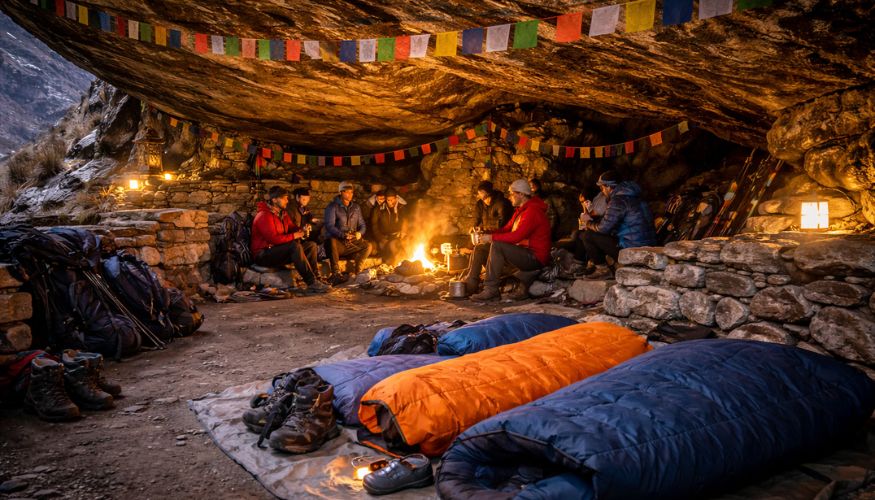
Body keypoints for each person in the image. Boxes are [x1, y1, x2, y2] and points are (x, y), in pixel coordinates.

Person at [468, 179, 551, 301]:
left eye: (512, 193)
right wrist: (486, 232)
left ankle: (491, 289)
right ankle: (470, 285)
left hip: (535, 257)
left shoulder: (532, 211)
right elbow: (506, 229)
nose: (510, 196)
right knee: (480, 248)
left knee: (497, 245)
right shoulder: (520, 211)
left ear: (521, 194)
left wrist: (491, 238)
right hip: (523, 252)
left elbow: (516, 236)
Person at [581, 171, 657, 279]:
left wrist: (588, 222)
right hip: (649, 244)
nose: (602, 191)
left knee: (588, 236)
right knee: (597, 234)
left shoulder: (618, 200)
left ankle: (603, 270)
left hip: (632, 248)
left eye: (602, 188)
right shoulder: (635, 196)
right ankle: (610, 265)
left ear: (608, 187)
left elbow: (603, 228)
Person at [251, 186, 329, 292]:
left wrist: (302, 230)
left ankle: (317, 279)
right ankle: (311, 282)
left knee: (311, 245)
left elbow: (292, 228)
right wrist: (295, 235)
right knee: (294, 246)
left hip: (278, 250)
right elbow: (274, 239)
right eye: (284, 198)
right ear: (274, 200)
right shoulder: (264, 216)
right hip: (263, 254)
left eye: (287, 198)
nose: (287, 201)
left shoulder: (282, 214)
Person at [324, 181, 373, 282]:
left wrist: (360, 232)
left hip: (351, 242)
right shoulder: (332, 207)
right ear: (341, 192)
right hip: (339, 243)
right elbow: (329, 226)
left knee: (368, 246)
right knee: (330, 241)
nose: (350, 195)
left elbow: (362, 224)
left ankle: (358, 270)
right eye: (347, 192)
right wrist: (342, 235)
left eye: (351, 192)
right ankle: (336, 272)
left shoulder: (356, 207)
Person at [557, 190, 607, 263]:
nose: (584, 204)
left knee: (583, 236)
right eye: (581, 202)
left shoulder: (599, 208)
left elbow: (593, 222)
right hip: (589, 232)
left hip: (599, 233)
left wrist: (587, 214)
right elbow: (583, 226)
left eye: (585, 201)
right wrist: (585, 210)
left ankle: (581, 260)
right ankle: (579, 259)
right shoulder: (584, 212)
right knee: (577, 234)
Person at [371, 188, 408, 263]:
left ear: (396, 198)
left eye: (393, 199)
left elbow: (405, 220)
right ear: (385, 199)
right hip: (384, 237)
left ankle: (405, 262)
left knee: (401, 244)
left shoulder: (401, 208)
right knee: (390, 247)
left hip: (397, 236)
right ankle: (397, 264)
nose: (391, 202)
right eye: (389, 200)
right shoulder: (378, 209)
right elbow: (374, 226)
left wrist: (403, 232)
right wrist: (380, 238)